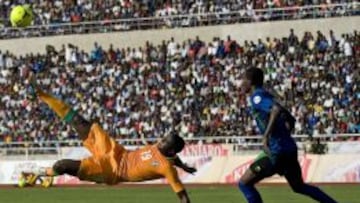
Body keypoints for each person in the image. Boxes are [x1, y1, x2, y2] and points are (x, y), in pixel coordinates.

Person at [21, 75, 195, 203]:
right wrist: (184, 165)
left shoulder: (166, 168)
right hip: (115, 151)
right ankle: (40, 93)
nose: (160, 141)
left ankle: (40, 173)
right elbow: (173, 157)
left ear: (170, 150)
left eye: (164, 141)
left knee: (62, 165)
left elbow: (182, 196)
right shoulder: (164, 150)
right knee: (78, 121)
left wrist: (179, 169)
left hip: (111, 171)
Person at [238, 67, 337, 203]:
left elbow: (276, 109)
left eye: (243, 79)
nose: (241, 83)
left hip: (277, 151)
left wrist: (266, 136)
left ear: (250, 82)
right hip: (289, 149)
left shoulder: (257, 97)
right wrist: (288, 123)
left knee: (244, 183)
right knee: (299, 186)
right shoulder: (266, 95)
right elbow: (286, 114)